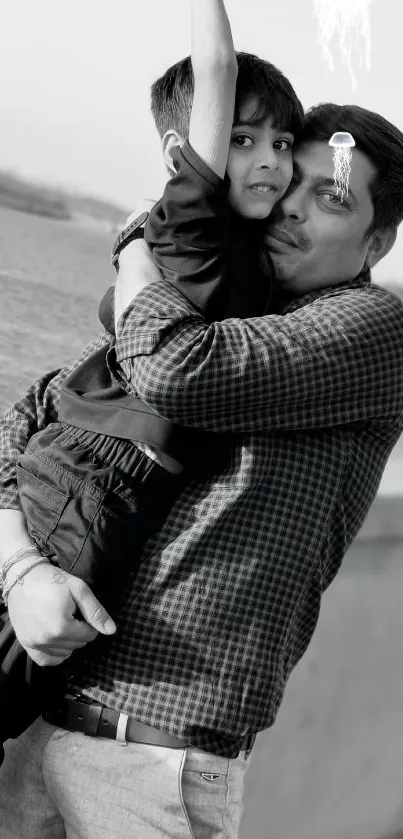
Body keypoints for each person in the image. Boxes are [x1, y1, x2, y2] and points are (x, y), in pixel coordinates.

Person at [1, 48, 403, 839]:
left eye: (328, 197)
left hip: (153, 764)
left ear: (378, 242)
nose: (288, 207)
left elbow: (175, 372)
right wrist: (19, 567)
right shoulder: (226, 305)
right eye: (287, 183)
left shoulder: (373, 330)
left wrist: (132, 249)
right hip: (47, 722)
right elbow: (37, 412)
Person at [6, 0, 303, 619]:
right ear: (182, 156)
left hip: (119, 480)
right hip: (94, 474)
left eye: (283, 142)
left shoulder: (248, 252)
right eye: (242, 140)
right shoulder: (192, 226)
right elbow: (216, 66)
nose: (272, 160)